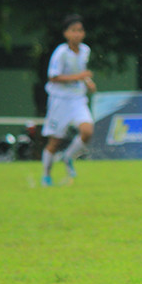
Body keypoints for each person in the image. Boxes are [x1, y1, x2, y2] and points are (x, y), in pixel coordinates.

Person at [41, 14, 96, 186]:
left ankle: (68, 157)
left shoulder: (85, 50)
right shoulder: (61, 53)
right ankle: (46, 175)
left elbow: (82, 71)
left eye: (80, 31)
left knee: (87, 131)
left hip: (77, 99)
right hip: (60, 100)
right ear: (66, 33)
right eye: (73, 31)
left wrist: (88, 82)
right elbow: (53, 77)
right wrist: (80, 77)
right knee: (55, 141)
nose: (77, 34)